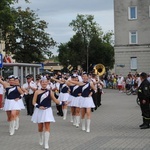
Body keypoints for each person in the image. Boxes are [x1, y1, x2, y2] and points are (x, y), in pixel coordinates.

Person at [31, 76, 63, 149]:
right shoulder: (37, 91)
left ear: (48, 83)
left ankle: (46, 143)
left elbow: (55, 100)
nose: (44, 83)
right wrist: (38, 106)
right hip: (39, 110)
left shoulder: (50, 92)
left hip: (47, 110)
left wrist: (63, 103)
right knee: (40, 127)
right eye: (43, 82)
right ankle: (40, 138)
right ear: (40, 83)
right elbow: (33, 102)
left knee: (47, 126)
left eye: (46, 82)